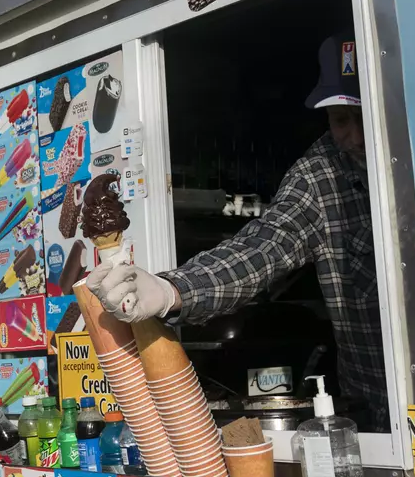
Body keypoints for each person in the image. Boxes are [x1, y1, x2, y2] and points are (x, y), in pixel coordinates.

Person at [87, 33, 388, 430]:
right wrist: (170, 291)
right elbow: (261, 248)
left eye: (363, 116)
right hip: (375, 414)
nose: (354, 136)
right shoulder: (320, 176)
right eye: (339, 120)